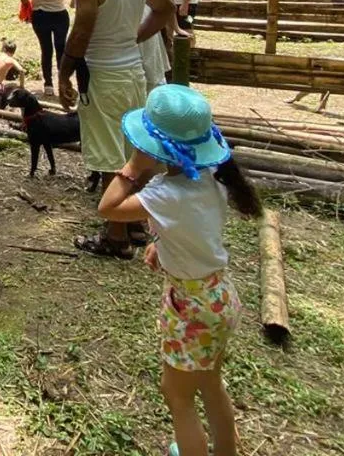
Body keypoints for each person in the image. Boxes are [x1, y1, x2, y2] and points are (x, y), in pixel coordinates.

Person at [98, 85, 263, 456]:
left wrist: (133, 166)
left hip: (192, 309)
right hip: (220, 296)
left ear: (155, 146)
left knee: (177, 395)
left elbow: (108, 208)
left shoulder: (165, 195)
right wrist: (161, 243)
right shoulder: (211, 177)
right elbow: (194, 225)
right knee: (210, 383)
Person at [58, 0, 174, 258]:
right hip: (133, 72)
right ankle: (134, 222)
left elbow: (80, 34)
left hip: (103, 74)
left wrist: (63, 74)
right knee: (130, 147)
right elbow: (165, 8)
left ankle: (116, 237)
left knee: (110, 156)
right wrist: (134, 37)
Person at [21, 0, 71, 97]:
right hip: (59, 14)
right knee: (61, 48)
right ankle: (63, 82)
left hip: (40, 16)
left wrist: (36, 1)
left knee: (46, 49)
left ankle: (48, 85)